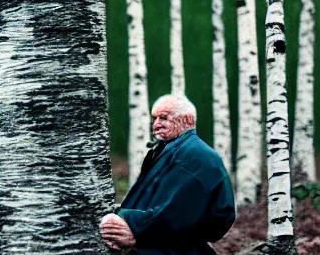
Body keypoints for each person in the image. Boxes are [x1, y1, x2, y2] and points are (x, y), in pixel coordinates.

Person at [100, 94, 235, 254]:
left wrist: (128, 223)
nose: (156, 124)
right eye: (154, 118)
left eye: (163, 118)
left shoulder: (195, 155)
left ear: (186, 119)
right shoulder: (167, 150)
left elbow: (176, 215)